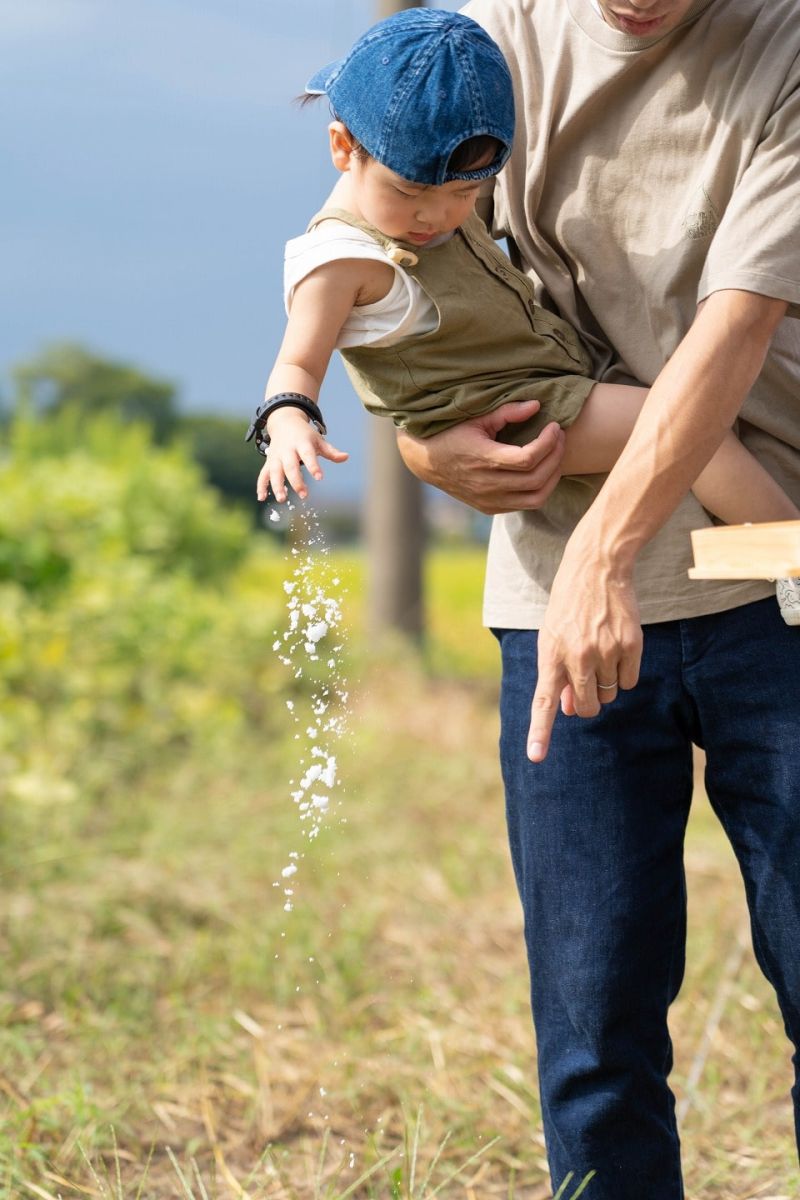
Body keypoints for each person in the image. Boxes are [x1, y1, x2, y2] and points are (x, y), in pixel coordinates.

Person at [391, 0, 800, 1196]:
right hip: (555, 606)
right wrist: (427, 456)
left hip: (773, 581)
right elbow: (398, 271)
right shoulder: (488, 45)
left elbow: (733, 326)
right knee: (591, 1037)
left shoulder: (781, 44)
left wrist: (605, 554)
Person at [247, 8, 800, 622]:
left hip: (538, 387)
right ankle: (791, 555)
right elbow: (297, 362)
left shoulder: (423, 206)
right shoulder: (337, 261)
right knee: (684, 425)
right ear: (343, 149)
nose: (436, 218)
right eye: (411, 193)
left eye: (463, 195)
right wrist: (289, 425)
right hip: (508, 412)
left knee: (675, 425)